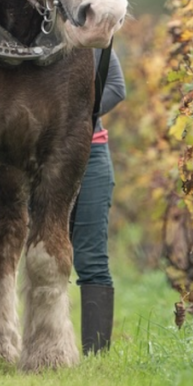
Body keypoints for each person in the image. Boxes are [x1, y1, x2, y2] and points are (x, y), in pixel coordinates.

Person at [70, 47, 125, 354]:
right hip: (39, 157)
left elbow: (117, 88)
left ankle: (96, 354)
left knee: (91, 259)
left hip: (92, 155)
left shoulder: (93, 43)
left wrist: (73, 117)